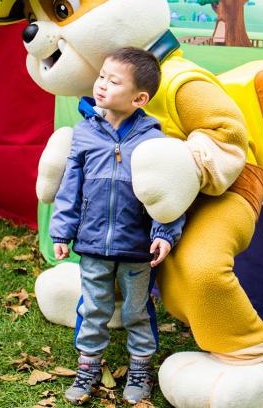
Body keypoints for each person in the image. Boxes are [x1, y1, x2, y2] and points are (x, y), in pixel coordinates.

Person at [50, 47, 185, 405]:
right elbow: (70, 186)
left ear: (139, 98)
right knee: (93, 307)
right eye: (101, 77)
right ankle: (88, 366)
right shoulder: (84, 133)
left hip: (137, 247)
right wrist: (62, 231)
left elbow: (167, 192)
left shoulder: (154, 140)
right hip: (93, 243)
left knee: (136, 311)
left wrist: (164, 234)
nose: (102, 85)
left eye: (114, 81)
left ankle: (140, 369)